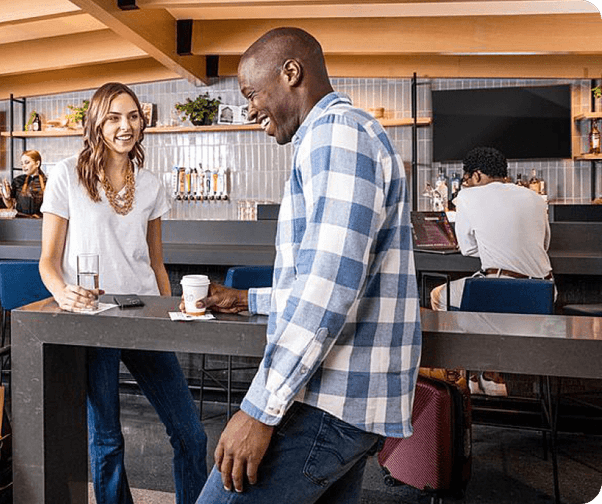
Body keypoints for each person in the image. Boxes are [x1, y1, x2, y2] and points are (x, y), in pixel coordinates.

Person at [184, 27, 422, 504]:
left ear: (291, 73)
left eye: (252, 93)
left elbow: (329, 285)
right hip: (348, 402)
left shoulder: (336, 133)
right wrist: (250, 298)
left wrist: (260, 409)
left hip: (324, 400)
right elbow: (337, 279)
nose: (249, 108)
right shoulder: (343, 134)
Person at [38, 82, 207, 504]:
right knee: (107, 439)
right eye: (113, 117)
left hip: (147, 313)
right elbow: (47, 262)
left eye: (132, 116)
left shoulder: (150, 185)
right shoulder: (65, 176)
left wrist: (175, 315)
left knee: (191, 433)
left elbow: (155, 262)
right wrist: (63, 293)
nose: (124, 126)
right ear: (97, 122)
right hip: (95, 317)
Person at [430, 146, 553, 396]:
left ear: (476, 175)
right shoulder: (534, 198)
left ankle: (467, 374)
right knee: (478, 292)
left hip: (499, 293)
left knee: (438, 295)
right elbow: (544, 244)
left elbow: (467, 248)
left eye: (466, 178)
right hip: (544, 293)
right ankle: (486, 373)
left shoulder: (467, 197)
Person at [7, 150, 46, 217]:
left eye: (27, 163)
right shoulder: (18, 181)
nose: (23, 166)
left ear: (37, 164)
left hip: (40, 222)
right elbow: (10, 205)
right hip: (20, 221)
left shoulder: (47, 182)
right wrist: (6, 196)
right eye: (22, 164)